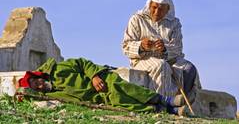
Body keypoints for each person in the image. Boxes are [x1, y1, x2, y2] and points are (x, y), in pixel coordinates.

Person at [18, 57, 188, 114]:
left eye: (37, 81)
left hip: (102, 81)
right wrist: (22, 96)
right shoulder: (49, 94)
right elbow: (28, 97)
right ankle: (168, 110)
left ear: (38, 75)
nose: (39, 86)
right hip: (98, 97)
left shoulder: (58, 68)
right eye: (36, 87)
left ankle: (167, 100)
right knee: (126, 104)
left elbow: (83, 63)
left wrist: (94, 76)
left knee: (124, 88)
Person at [122, 0, 201, 97]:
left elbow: (177, 48)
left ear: (168, 9)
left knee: (189, 69)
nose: (157, 12)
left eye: (161, 9)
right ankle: (163, 103)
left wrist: (164, 49)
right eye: (154, 7)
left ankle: (182, 101)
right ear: (149, 5)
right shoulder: (137, 19)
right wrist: (141, 46)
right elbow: (126, 47)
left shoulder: (174, 23)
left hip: (170, 59)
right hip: (143, 59)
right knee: (161, 66)